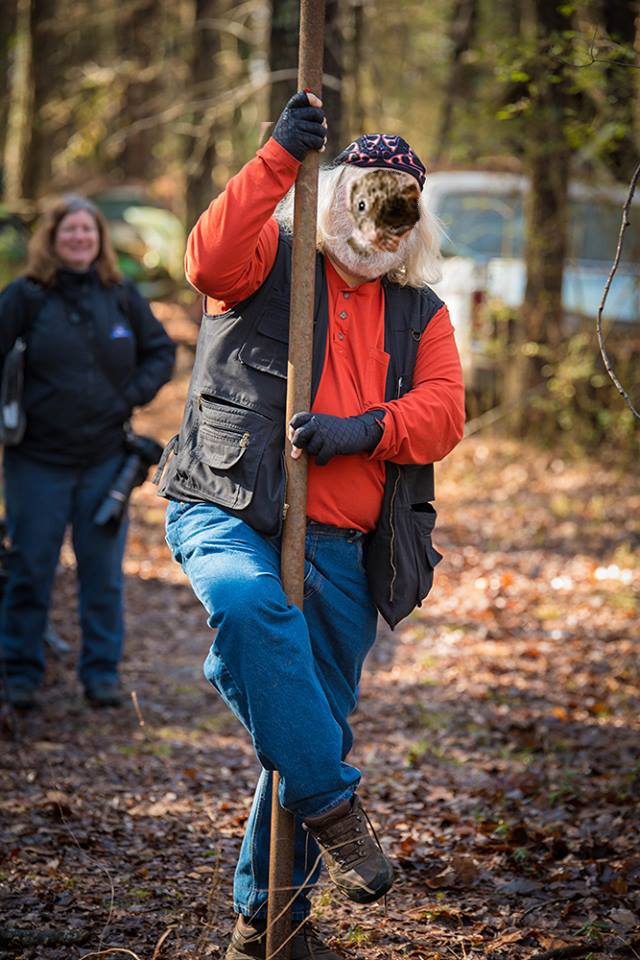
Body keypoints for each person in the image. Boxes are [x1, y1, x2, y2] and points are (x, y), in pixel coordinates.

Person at [158, 92, 465, 959]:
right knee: (251, 613)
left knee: (303, 726)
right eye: (370, 193)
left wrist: (367, 428)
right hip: (226, 508)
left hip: (341, 546)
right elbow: (207, 258)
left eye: (402, 203)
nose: (384, 217)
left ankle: (271, 928)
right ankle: (335, 807)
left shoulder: (421, 312)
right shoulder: (272, 259)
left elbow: (442, 414)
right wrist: (276, 161)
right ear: (336, 196)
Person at [0, 195, 175, 710]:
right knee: (31, 570)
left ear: (99, 240)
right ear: (52, 239)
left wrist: (130, 395)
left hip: (105, 461)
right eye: (68, 231)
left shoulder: (121, 296)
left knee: (101, 576)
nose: (79, 238)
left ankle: (100, 676)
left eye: (87, 231)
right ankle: (20, 675)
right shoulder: (24, 298)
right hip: (36, 461)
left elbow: (161, 351)